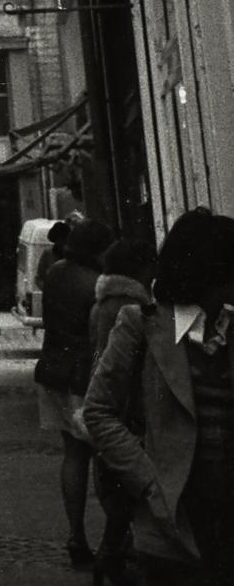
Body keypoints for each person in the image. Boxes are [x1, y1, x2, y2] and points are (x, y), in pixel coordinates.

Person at [83, 210, 234, 584]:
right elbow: (98, 410)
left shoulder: (228, 327)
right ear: (212, 272)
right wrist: (150, 481)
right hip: (173, 515)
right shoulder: (143, 324)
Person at [38, 217, 114, 569]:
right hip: (83, 377)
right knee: (104, 457)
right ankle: (112, 540)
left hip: (53, 370)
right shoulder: (97, 283)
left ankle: (76, 534)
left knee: (72, 454)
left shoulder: (55, 273)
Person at [87, 237, 158, 586]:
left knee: (119, 509)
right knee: (127, 507)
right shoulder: (132, 307)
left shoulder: (103, 303)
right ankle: (110, 563)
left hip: (111, 410)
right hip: (126, 415)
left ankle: (107, 562)